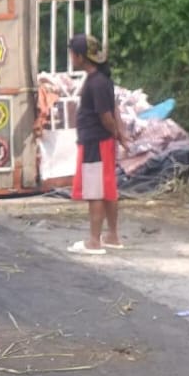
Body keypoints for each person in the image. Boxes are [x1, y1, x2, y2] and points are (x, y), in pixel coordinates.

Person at [67, 34, 129, 255]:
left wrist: (117, 133)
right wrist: (118, 135)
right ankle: (112, 236)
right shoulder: (102, 79)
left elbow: (106, 115)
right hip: (103, 141)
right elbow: (114, 109)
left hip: (95, 142)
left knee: (95, 191)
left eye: (73, 53)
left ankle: (94, 241)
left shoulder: (96, 83)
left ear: (80, 57)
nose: (71, 57)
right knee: (108, 188)